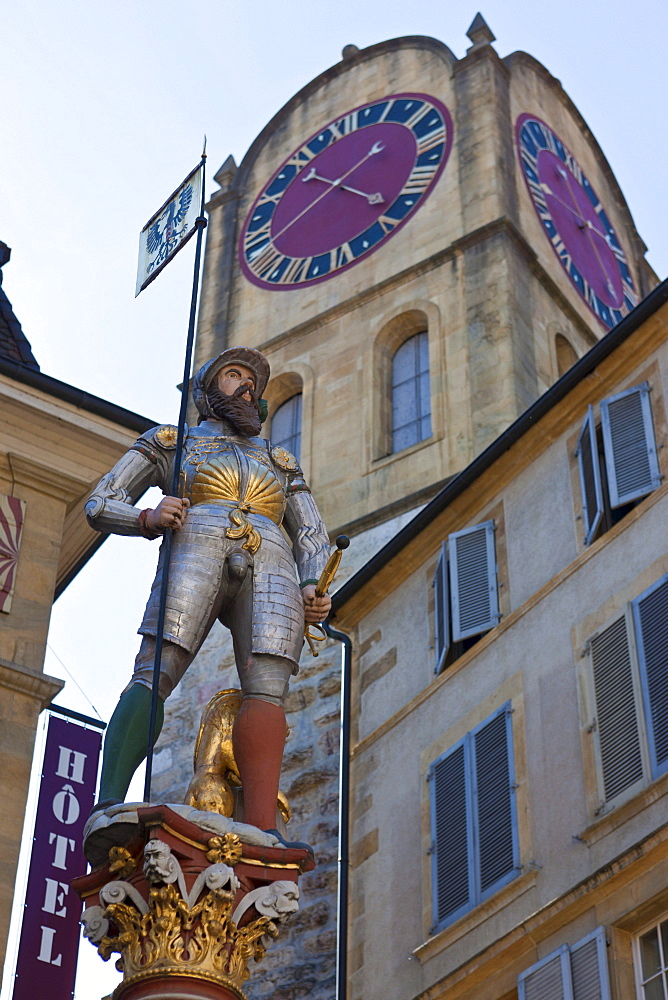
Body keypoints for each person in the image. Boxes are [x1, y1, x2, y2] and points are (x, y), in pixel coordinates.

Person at [85, 347, 331, 845]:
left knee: (268, 683)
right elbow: (101, 500)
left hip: (273, 557)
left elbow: (312, 534)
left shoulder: (281, 462)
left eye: (252, 383)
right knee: (159, 663)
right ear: (206, 391)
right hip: (197, 537)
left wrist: (314, 585)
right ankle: (109, 799)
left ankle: (264, 828)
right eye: (234, 376)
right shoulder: (173, 442)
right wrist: (147, 518)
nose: (246, 387)